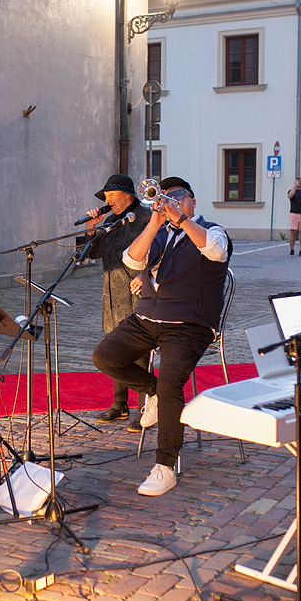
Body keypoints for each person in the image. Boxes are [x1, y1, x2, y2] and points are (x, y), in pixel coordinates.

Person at [92, 177, 231, 496]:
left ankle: (165, 466)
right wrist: (154, 223)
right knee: (105, 357)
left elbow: (216, 252)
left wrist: (180, 219)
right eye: (165, 197)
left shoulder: (212, 229)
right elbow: (131, 261)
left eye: (178, 197)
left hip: (189, 324)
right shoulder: (161, 233)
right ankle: (152, 393)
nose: (170, 201)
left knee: (171, 384)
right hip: (148, 317)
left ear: (193, 201)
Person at [81, 174, 153, 430]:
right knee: (115, 350)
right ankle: (120, 404)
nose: (107, 200)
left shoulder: (147, 218)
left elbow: (161, 252)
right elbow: (91, 253)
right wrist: (92, 226)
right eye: (105, 196)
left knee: (140, 354)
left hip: (139, 295)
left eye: (112, 195)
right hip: (113, 294)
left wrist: (148, 276)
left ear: (128, 196)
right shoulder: (110, 220)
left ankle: (145, 409)